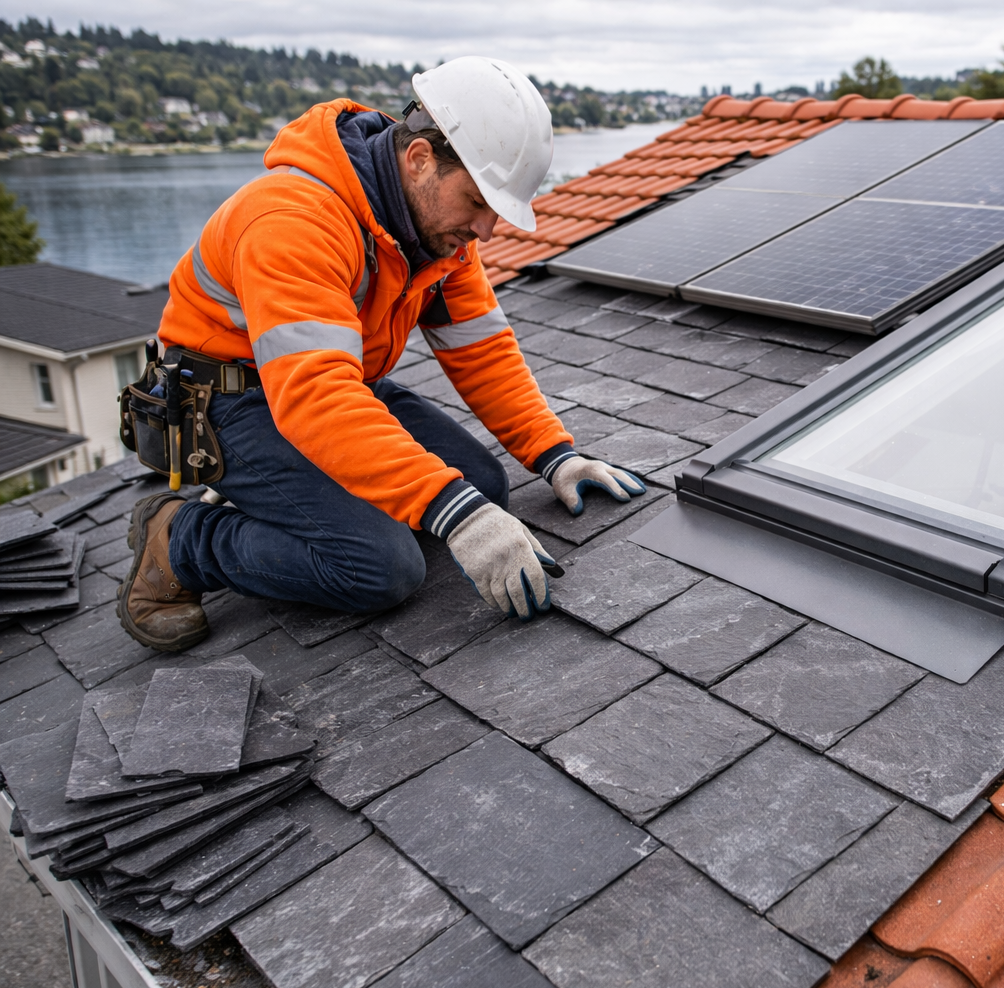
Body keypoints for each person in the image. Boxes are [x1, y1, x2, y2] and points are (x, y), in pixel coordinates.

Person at [117, 56, 645, 653]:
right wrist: (452, 512)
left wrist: (555, 455)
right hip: (226, 407)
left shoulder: (438, 236)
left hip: (328, 388)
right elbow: (316, 398)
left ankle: (291, 501)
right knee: (380, 567)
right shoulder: (292, 220)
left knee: (482, 487)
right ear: (419, 160)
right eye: (477, 202)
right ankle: (180, 537)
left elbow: (483, 352)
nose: (487, 230)